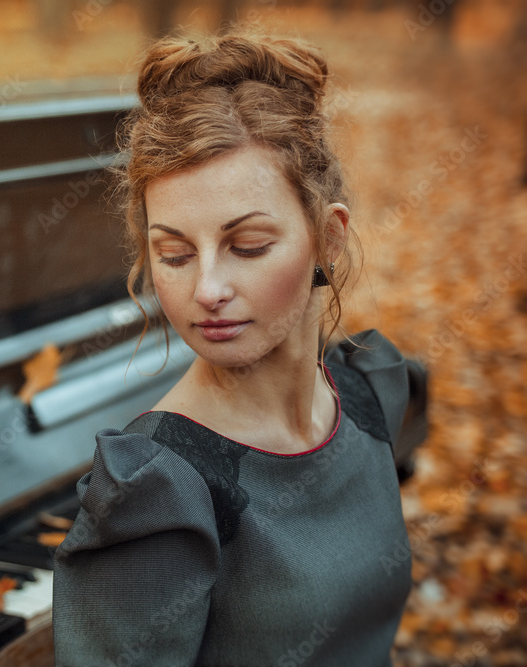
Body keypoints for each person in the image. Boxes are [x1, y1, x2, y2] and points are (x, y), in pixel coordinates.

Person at [52, 27, 426, 666]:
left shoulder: (369, 390)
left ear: (328, 242)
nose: (207, 289)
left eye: (248, 246)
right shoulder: (157, 490)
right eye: (174, 254)